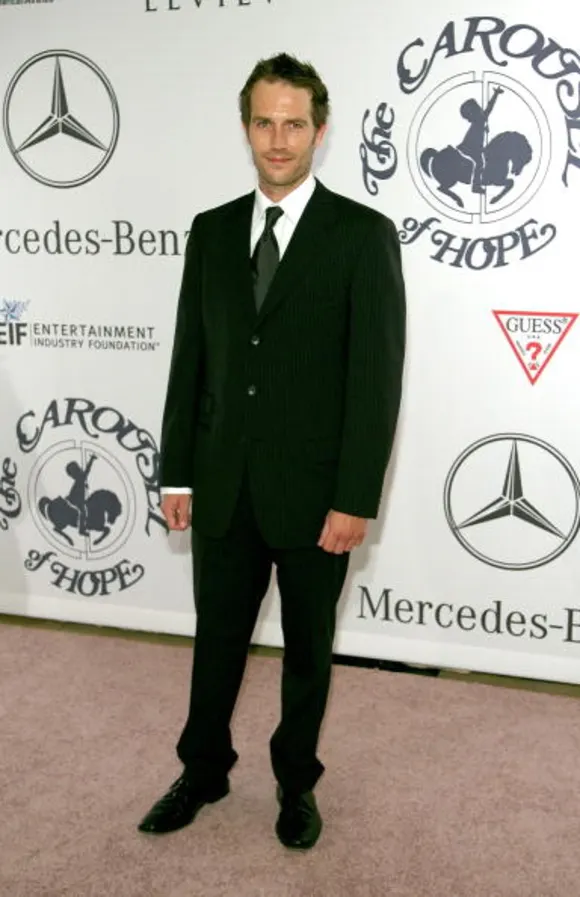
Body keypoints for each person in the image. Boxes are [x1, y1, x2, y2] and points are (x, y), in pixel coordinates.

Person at [138, 52, 406, 850]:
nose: (278, 138)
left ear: (320, 133)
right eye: (264, 121)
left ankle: (295, 781)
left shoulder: (363, 235)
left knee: (305, 653)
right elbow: (192, 358)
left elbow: (375, 380)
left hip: (317, 495)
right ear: (246, 127)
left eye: (295, 123)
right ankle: (204, 768)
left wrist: (356, 495)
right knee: (215, 639)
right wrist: (177, 469)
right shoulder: (212, 231)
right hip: (221, 483)